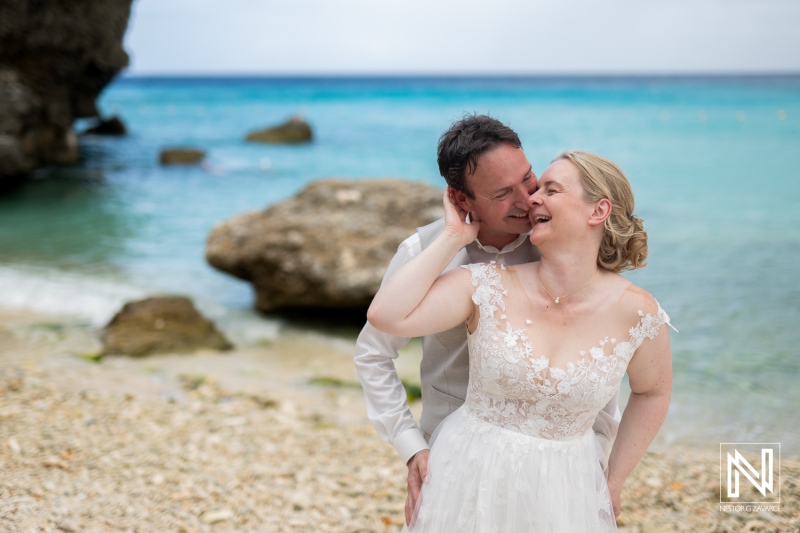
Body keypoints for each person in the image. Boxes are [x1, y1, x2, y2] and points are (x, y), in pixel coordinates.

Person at [367, 151, 673, 531]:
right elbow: (386, 316)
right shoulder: (486, 283)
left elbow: (652, 392)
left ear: (598, 212)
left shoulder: (638, 313)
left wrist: (614, 479)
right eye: (537, 187)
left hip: (568, 488)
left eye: (551, 189)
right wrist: (453, 237)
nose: (532, 199)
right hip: (466, 477)